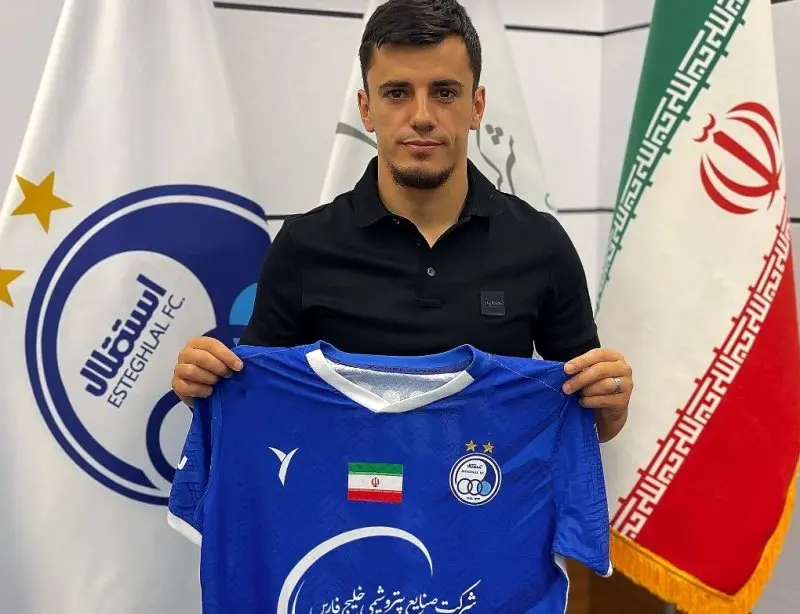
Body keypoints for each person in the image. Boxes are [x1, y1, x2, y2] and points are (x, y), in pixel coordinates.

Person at [170, 0, 633, 442]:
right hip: (344, 499)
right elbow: (257, 409)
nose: (422, 117)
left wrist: (611, 405)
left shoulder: (539, 243)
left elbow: (588, 420)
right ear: (366, 109)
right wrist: (207, 388)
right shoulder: (304, 244)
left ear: (476, 106)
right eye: (397, 93)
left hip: (488, 495)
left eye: (444, 92)